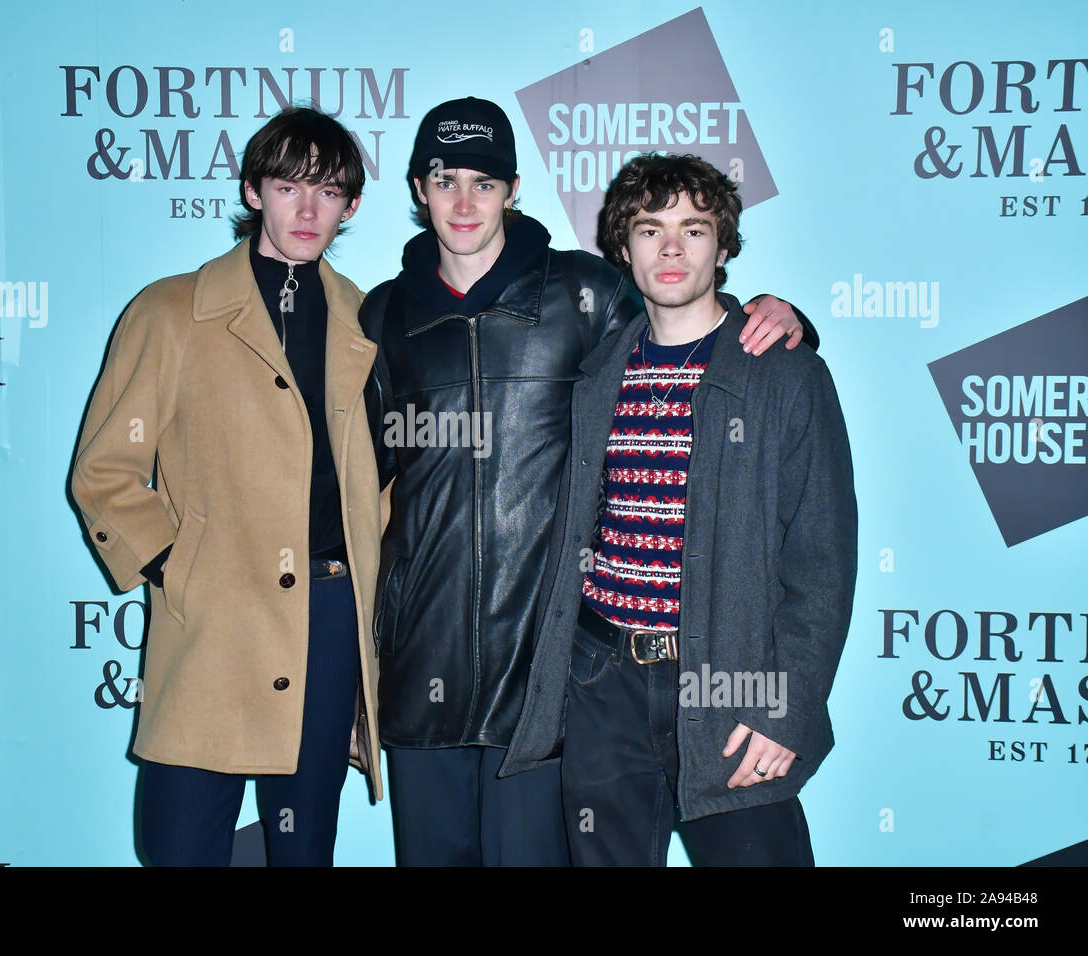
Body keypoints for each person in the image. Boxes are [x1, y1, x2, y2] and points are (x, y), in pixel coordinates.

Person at [360, 97, 815, 866]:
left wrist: (782, 316)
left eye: (483, 181)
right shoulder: (381, 315)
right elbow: (347, 479)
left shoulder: (587, 294)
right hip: (426, 668)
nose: (464, 201)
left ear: (511, 188)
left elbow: (687, 316)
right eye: (445, 182)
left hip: (545, 678)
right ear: (417, 190)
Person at [507, 153, 857, 865]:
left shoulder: (785, 373)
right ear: (623, 248)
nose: (670, 248)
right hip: (602, 682)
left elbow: (822, 560)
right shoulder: (599, 371)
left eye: (693, 229)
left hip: (731, 681)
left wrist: (783, 710)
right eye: (649, 229)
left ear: (723, 246)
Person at [69, 107, 389, 866]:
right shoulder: (171, 310)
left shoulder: (371, 320)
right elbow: (105, 470)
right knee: (179, 847)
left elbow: (384, 481)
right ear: (252, 191)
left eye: (329, 191)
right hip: (212, 623)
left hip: (329, 621)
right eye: (288, 186)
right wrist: (181, 568)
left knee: (303, 848)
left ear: (352, 205)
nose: (308, 210)